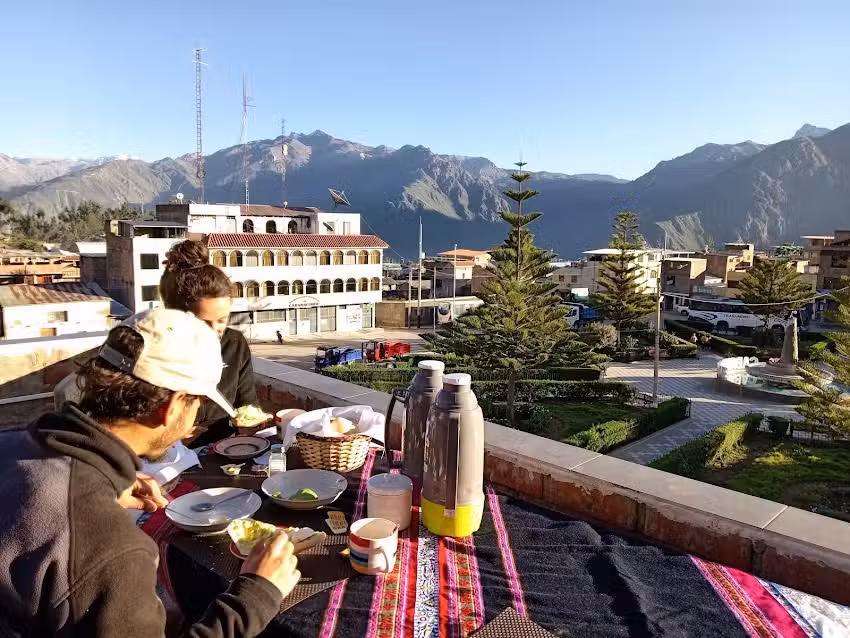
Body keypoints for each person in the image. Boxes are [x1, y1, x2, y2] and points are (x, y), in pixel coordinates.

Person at [0, 308, 300, 637]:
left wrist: (103, 486)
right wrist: (256, 596)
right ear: (173, 406)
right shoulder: (115, 550)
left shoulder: (11, 446)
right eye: (198, 403)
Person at [160, 240, 258, 446]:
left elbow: (247, 403)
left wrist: (250, 422)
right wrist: (173, 438)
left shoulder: (234, 343)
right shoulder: (154, 353)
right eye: (203, 323)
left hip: (224, 447)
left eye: (222, 319)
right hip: (165, 456)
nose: (215, 332)